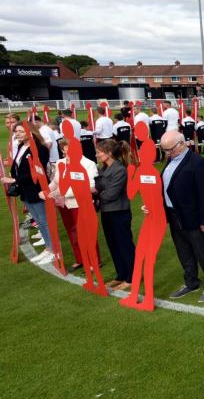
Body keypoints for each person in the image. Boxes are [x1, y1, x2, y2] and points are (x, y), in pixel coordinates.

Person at [159, 131, 204, 301]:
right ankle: (191, 282)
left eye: (170, 149)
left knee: (202, 252)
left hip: (192, 217)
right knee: (183, 252)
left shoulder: (198, 162)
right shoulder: (170, 161)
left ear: (182, 144)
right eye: (165, 150)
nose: (168, 153)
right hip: (173, 215)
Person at [2, 122, 54, 264]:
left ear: (30, 132)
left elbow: (38, 173)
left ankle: (53, 250)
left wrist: (13, 179)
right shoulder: (21, 146)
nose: (16, 134)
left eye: (20, 131)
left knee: (44, 221)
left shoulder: (39, 148)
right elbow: (17, 166)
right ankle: (49, 248)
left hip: (37, 190)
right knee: (39, 221)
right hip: (25, 190)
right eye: (15, 131)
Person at [48, 138, 100, 272]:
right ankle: (80, 259)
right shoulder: (60, 163)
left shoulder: (88, 164)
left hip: (80, 203)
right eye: (64, 149)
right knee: (72, 231)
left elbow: (90, 186)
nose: (66, 151)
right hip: (64, 203)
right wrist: (47, 190)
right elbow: (56, 181)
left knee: (86, 233)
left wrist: (62, 193)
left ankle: (94, 260)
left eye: (69, 148)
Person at [94, 139, 136, 291]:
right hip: (107, 212)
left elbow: (110, 194)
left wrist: (95, 192)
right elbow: (101, 188)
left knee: (124, 245)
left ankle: (132, 277)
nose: (97, 155)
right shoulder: (104, 167)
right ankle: (121, 274)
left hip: (119, 212)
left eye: (99, 152)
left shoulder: (119, 169)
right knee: (113, 244)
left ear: (109, 153)